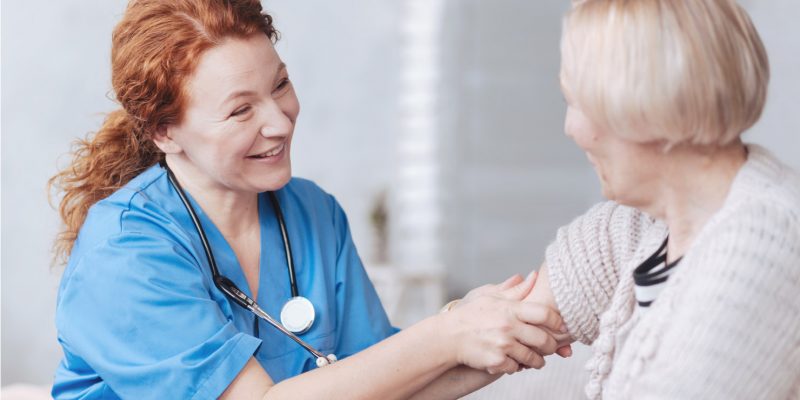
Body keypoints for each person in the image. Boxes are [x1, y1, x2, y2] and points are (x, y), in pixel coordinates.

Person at [49, 0, 570, 399]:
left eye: (280, 86)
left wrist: (498, 336)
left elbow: (380, 381)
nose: (279, 122)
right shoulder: (123, 252)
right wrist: (447, 333)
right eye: (240, 111)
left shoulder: (312, 213)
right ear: (165, 132)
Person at [523, 0, 800, 398]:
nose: (571, 128)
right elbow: (494, 330)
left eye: (577, 100)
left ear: (643, 105)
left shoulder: (762, 243)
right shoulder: (638, 229)